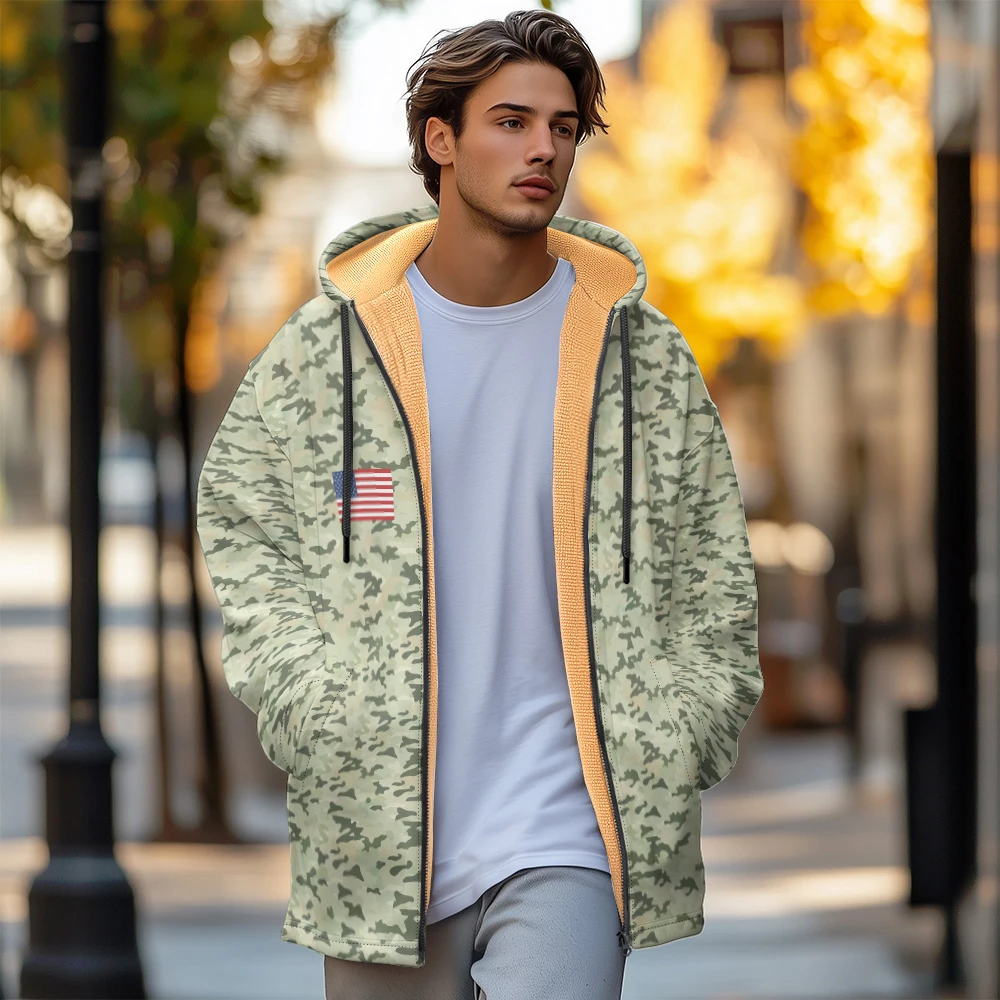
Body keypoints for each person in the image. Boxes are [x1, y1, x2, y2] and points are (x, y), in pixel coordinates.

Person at [197, 10, 763, 1000]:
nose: (542, 146)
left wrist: (680, 728)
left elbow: (713, 561)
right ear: (440, 139)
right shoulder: (329, 347)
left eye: (561, 126)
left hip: (571, 819)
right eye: (510, 121)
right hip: (379, 831)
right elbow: (245, 523)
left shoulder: (639, 353)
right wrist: (315, 707)